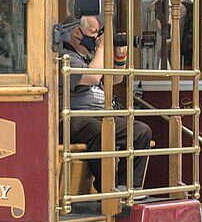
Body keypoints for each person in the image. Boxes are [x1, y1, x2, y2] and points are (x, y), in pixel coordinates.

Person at [63, 15, 152, 193]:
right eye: (92, 33)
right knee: (100, 129)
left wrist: (120, 56)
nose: (96, 38)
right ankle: (106, 189)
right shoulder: (65, 56)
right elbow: (93, 77)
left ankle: (127, 187)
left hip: (99, 115)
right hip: (73, 117)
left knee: (140, 131)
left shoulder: (89, 57)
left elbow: (116, 79)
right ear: (76, 32)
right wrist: (102, 47)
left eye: (98, 33)